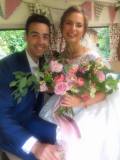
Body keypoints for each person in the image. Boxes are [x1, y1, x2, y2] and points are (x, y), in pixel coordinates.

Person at [39, 6, 120, 160]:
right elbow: (54, 86)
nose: (73, 29)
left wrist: (80, 101)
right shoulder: (57, 60)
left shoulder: (92, 57)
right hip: (62, 104)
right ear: (62, 26)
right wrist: (48, 85)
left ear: (84, 30)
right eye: (69, 23)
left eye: (78, 25)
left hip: (87, 106)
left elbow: (104, 92)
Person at [0, 14, 62, 160]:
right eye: (35, 35)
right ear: (26, 36)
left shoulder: (44, 64)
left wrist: (55, 89)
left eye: (45, 37)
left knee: (65, 139)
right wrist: (36, 147)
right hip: (11, 131)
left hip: (32, 120)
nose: (41, 41)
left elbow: (43, 91)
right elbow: (1, 115)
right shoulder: (6, 67)